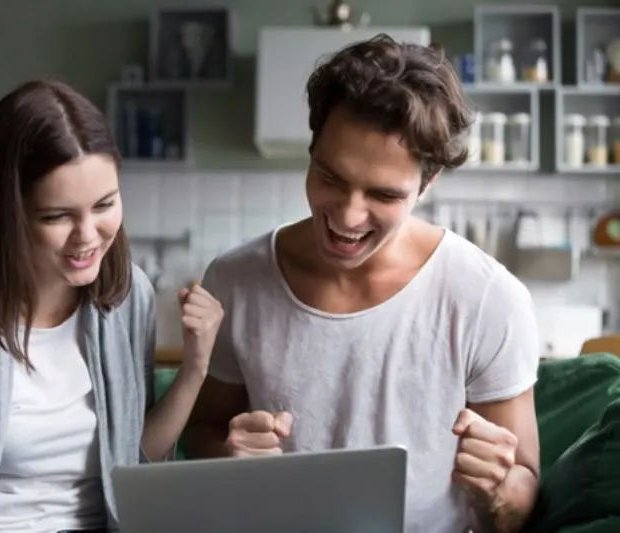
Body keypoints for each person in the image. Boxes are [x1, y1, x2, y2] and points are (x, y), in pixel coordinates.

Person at [182, 34, 540, 533]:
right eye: (330, 177)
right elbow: (200, 432)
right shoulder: (236, 280)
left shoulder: (486, 298)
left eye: (383, 194)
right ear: (312, 149)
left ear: (427, 182)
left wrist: (502, 489)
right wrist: (226, 454)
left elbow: (522, 487)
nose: (347, 217)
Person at [0, 79, 224, 533]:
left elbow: (135, 458)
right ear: (6, 213)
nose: (88, 235)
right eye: (57, 216)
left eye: (105, 204)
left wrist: (196, 367)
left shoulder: (129, 297)